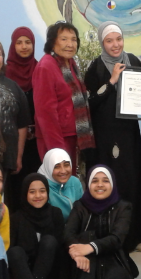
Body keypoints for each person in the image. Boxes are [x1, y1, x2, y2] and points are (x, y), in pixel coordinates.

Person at [84, 21, 141, 251]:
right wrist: (111, 81)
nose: (115, 45)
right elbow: (90, 103)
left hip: (129, 134)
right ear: (102, 42)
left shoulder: (133, 61)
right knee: (112, 182)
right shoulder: (95, 68)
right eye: (109, 40)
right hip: (105, 135)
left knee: (133, 181)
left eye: (118, 39)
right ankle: (113, 238)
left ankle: (138, 237)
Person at [33, 22, 95, 173]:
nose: (70, 44)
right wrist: (57, 151)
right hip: (56, 139)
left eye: (73, 39)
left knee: (69, 186)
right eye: (64, 39)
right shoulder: (46, 66)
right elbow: (46, 114)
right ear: (52, 42)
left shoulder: (70, 64)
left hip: (72, 137)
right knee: (58, 185)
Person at [63, 165, 138, 279]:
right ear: (88, 184)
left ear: (112, 184)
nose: (100, 185)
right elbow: (68, 234)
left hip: (114, 259)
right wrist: (77, 254)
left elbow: (117, 238)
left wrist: (90, 246)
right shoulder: (80, 206)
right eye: (95, 181)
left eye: (105, 180)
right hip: (86, 260)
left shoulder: (123, 207)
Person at [0, 35, 30, 212]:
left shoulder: (14, 87)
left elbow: (22, 124)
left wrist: (18, 155)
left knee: (1, 205)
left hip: (6, 156)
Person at [5, 26, 42, 211]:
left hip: (36, 142)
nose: (24, 46)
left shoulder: (40, 70)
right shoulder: (4, 73)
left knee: (36, 186)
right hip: (11, 142)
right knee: (14, 187)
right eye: (19, 42)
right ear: (13, 45)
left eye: (28, 42)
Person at [7, 173, 64, 279]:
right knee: (15, 251)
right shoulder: (15, 218)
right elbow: (8, 251)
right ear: (25, 194)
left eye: (42, 191)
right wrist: (10, 278)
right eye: (32, 192)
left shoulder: (55, 214)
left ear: (47, 192)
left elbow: (62, 249)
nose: (38, 195)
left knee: (49, 241)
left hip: (50, 273)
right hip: (23, 275)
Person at [37, 148, 84, 221]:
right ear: (49, 167)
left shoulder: (74, 182)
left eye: (66, 165)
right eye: (57, 166)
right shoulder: (41, 186)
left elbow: (83, 210)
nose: (63, 171)